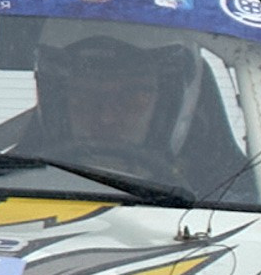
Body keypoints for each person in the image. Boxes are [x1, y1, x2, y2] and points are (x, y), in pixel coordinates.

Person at [17, 33, 248, 195]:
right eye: (85, 96)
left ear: (168, 106)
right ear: (57, 105)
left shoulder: (231, 206)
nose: (106, 117)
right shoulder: (4, 187)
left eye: (131, 97)